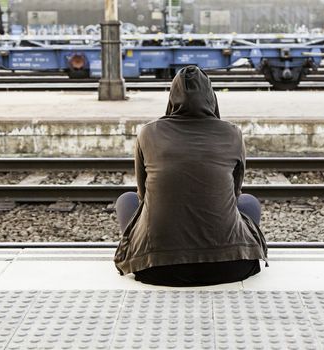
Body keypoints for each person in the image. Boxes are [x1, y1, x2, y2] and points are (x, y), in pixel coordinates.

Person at [114, 65, 267, 287]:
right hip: (231, 266)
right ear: (211, 97)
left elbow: (143, 194)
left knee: (126, 200)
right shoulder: (232, 133)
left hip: (156, 268)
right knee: (249, 202)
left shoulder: (148, 132)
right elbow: (234, 194)